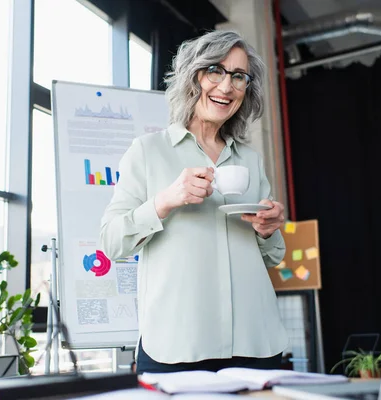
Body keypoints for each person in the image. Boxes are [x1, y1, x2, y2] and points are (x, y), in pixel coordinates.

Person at [99, 30, 288, 374]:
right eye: (215, 71)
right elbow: (112, 242)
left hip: (256, 342)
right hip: (177, 346)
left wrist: (268, 229)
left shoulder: (250, 159)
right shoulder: (148, 151)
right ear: (193, 76)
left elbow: (274, 256)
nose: (226, 86)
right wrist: (165, 201)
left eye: (239, 77)